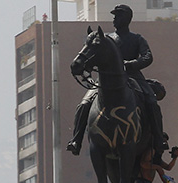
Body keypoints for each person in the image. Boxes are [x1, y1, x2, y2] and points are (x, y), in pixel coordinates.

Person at [67, 4, 165, 157]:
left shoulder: (137, 39)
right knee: (84, 104)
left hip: (133, 77)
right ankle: (76, 140)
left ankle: (159, 138)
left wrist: (130, 64)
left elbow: (147, 57)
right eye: (114, 16)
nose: (114, 19)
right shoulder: (106, 39)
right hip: (106, 81)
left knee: (152, 102)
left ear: (127, 19)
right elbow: (95, 56)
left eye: (118, 16)